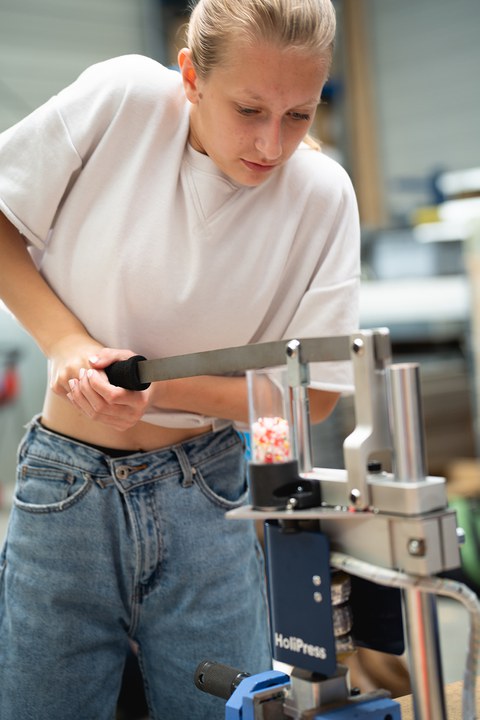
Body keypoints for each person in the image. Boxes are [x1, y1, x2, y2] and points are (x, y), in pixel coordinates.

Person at [0, 0, 360, 717]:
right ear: (191, 76)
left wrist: (165, 391)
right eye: (250, 108)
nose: (271, 143)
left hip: (210, 496)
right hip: (64, 489)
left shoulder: (322, 197)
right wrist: (66, 343)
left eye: (299, 114)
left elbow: (314, 396)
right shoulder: (124, 100)